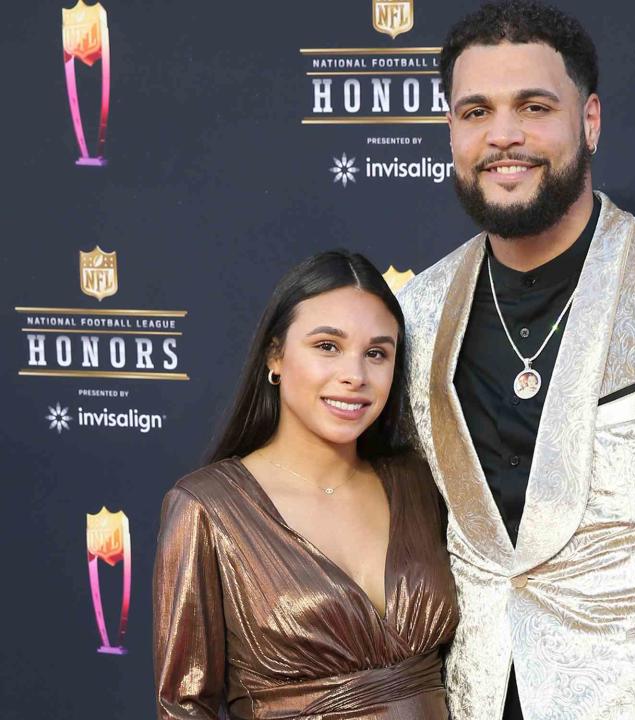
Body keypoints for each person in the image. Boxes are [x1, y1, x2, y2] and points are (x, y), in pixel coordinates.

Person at [397, 2, 635, 718]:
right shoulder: (417, 310)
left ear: (591, 120)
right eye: (474, 111)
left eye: (534, 106)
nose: (503, 135)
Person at [153, 251, 458, 719]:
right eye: (327, 347)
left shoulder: (416, 482)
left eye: (376, 353)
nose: (354, 376)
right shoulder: (207, 508)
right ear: (275, 356)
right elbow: (183, 707)